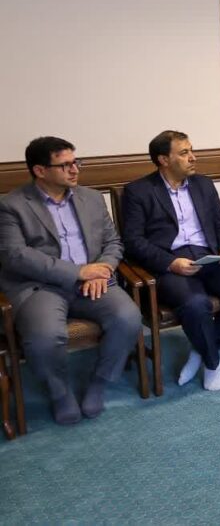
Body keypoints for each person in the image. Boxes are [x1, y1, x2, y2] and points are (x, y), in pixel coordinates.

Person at [0, 137, 142, 425]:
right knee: (44, 337)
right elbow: (15, 256)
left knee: (128, 318)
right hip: (41, 286)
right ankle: (60, 393)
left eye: (76, 162)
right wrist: (77, 272)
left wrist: (103, 268)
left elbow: (113, 242)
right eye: (65, 165)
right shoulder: (11, 205)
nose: (75, 169)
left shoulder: (91, 198)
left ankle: (100, 382)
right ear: (40, 170)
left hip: (95, 281)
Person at [122, 131, 220, 391]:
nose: (193, 157)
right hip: (171, 263)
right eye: (184, 153)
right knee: (196, 304)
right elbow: (133, 242)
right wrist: (170, 263)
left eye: (191, 150)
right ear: (163, 159)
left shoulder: (203, 184)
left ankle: (202, 351)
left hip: (209, 256)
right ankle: (213, 364)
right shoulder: (138, 191)